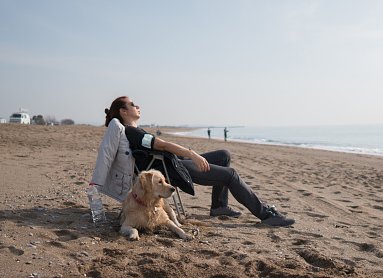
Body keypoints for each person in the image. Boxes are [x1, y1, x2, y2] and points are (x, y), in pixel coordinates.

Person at [90, 96, 295, 227]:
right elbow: (164, 146)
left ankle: (219, 206)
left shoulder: (134, 131)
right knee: (231, 175)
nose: (138, 106)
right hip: (173, 169)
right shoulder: (132, 132)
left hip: (174, 162)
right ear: (124, 112)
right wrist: (192, 154)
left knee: (224, 154)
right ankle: (266, 215)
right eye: (133, 104)